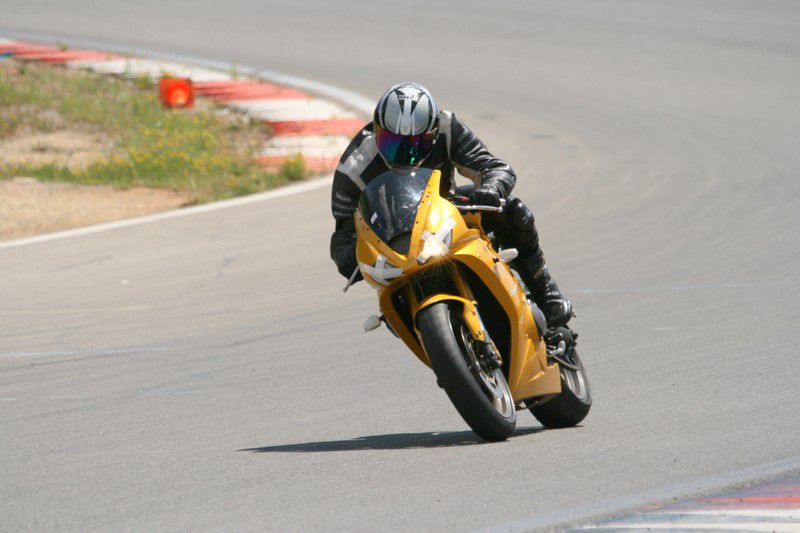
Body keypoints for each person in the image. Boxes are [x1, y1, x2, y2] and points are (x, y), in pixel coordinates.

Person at [329, 82, 572, 327]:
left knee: (512, 212)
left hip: (448, 218)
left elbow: (495, 168)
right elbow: (342, 234)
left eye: (416, 145)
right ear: (377, 130)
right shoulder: (354, 167)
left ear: (433, 135)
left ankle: (546, 291)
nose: (404, 156)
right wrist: (349, 257)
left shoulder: (446, 127)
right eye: (393, 144)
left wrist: (490, 189)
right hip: (395, 246)